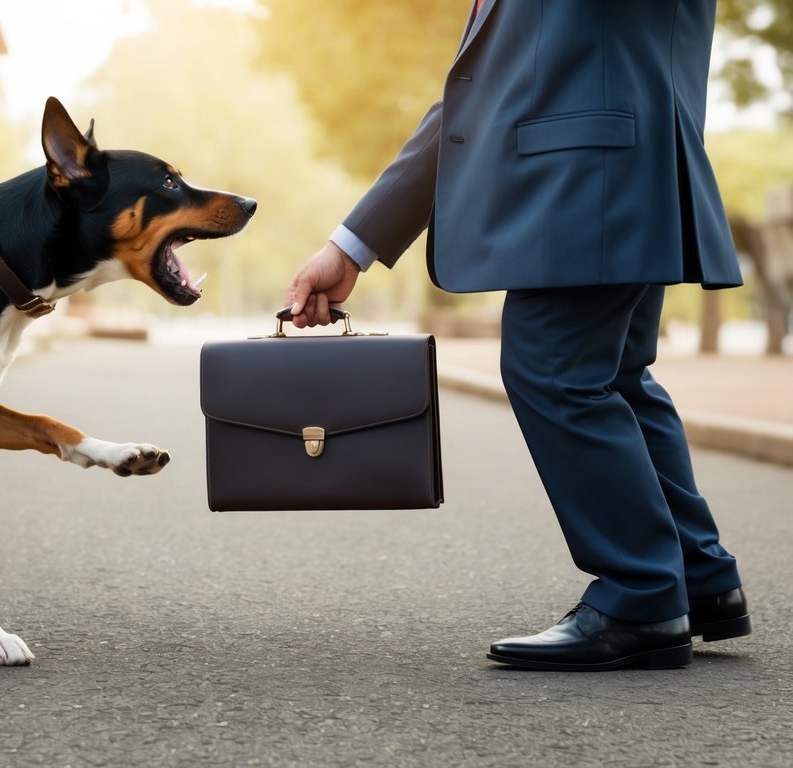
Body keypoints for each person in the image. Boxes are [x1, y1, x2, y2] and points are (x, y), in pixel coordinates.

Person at [285, 0, 751, 671]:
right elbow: (471, 106)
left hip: (592, 178)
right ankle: (694, 573)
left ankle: (640, 593)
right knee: (610, 375)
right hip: (617, 173)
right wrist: (354, 244)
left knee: (554, 369)